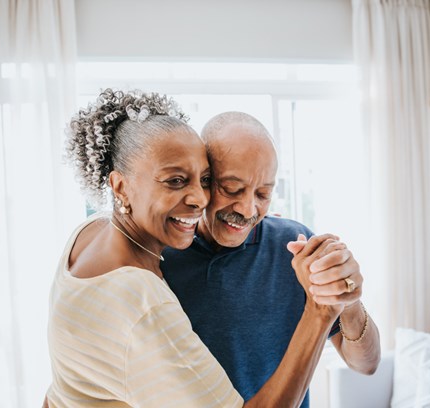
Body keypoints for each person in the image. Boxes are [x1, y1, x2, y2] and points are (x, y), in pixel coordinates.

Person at [46, 89, 350, 407]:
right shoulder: (144, 301)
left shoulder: (87, 234)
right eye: (175, 180)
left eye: (204, 180)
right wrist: (320, 312)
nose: (199, 199)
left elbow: (59, 391)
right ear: (120, 186)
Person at [161, 112, 381, 407]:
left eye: (263, 194)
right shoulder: (160, 257)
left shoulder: (295, 246)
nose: (248, 208)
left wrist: (349, 300)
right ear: (202, 179)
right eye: (232, 189)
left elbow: (366, 365)